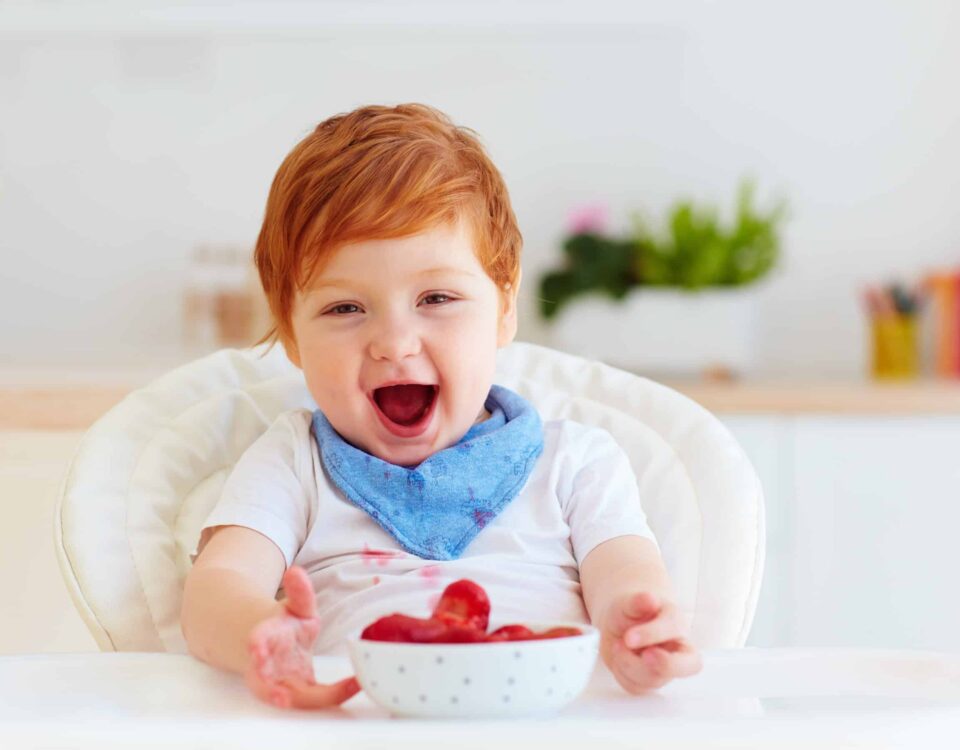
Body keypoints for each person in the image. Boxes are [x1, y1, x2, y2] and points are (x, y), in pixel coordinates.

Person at [181, 103, 702, 710]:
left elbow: (628, 576)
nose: (394, 343)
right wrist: (260, 634)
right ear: (292, 336)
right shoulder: (293, 462)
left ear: (505, 309)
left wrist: (637, 631)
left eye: (436, 297)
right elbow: (214, 589)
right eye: (345, 308)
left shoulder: (575, 463)